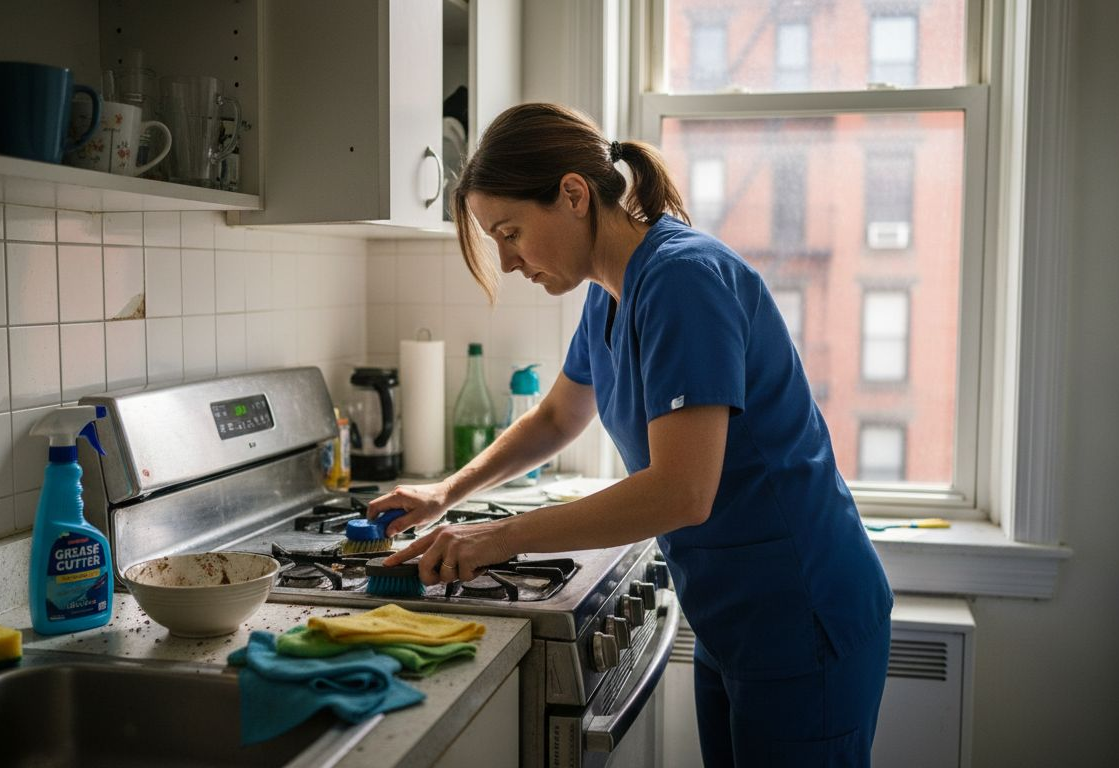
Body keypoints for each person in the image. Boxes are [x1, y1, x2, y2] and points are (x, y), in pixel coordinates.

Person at [371, 102, 893, 766]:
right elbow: (557, 418)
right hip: (734, 618)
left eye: (510, 232)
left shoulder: (681, 280)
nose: (506, 262)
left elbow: (681, 493)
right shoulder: (609, 290)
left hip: (801, 616)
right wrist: (445, 493)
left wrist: (497, 537)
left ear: (573, 194)